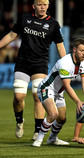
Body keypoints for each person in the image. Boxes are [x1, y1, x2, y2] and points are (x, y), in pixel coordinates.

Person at [0, 0, 67, 140]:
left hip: (40, 64)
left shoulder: (53, 24)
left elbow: (60, 45)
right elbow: (12, 35)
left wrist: (66, 64)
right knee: (18, 97)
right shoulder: (25, 19)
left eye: (45, 4)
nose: (42, 7)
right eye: (39, 4)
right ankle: (19, 121)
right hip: (22, 63)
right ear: (34, 6)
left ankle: (37, 131)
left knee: (38, 96)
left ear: (48, 6)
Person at [32, 38, 84, 147]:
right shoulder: (65, 62)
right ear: (74, 50)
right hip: (46, 88)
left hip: (58, 92)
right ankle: (38, 140)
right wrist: (78, 101)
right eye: (81, 51)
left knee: (62, 119)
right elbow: (67, 85)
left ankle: (52, 139)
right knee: (53, 114)